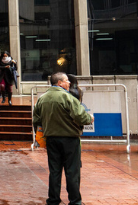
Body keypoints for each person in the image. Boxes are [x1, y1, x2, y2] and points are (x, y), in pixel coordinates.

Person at [32, 72, 94, 205]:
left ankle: (53, 199)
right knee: (72, 171)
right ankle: (75, 200)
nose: (69, 83)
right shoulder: (68, 98)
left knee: (54, 171)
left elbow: (36, 120)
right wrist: (90, 119)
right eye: (66, 81)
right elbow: (81, 117)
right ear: (59, 83)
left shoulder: (42, 99)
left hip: (51, 139)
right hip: (70, 139)